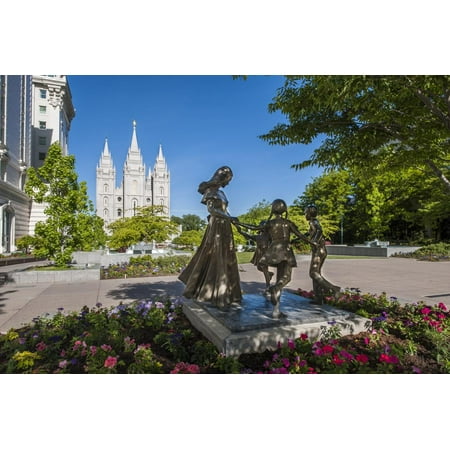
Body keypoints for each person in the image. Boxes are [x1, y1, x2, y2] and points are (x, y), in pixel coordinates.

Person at [178, 166, 242, 308]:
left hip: (225, 226)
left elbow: (224, 210)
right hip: (216, 227)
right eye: (228, 179)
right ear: (222, 177)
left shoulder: (222, 193)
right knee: (215, 255)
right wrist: (229, 218)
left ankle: (229, 293)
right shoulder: (210, 192)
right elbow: (211, 210)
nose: (229, 183)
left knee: (227, 256)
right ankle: (214, 293)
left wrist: (231, 219)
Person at [256, 199, 313, 318]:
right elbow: (300, 235)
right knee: (285, 278)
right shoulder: (288, 223)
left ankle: (276, 310)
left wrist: (237, 224)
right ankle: (274, 289)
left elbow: (255, 228)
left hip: (274, 250)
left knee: (280, 279)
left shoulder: (270, 223)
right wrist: (312, 242)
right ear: (284, 209)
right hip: (286, 251)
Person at [304, 204, 341, 303]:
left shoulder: (314, 222)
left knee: (313, 273)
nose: (305, 215)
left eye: (305, 212)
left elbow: (319, 231)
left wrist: (315, 241)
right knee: (317, 274)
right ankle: (318, 298)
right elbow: (311, 232)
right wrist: (299, 238)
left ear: (309, 213)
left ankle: (334, 289)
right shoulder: (313, 222)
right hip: (320, 250)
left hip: (318, 251)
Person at [235, 221, 273, 292]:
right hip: (259, 253)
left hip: (266, 253)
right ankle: (269, 274)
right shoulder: (258, 237)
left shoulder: (269, 236)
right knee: (259, 268)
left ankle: (268, 286)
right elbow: (248, 235)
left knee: (264, 269)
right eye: (261, 227)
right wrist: (239, 230)